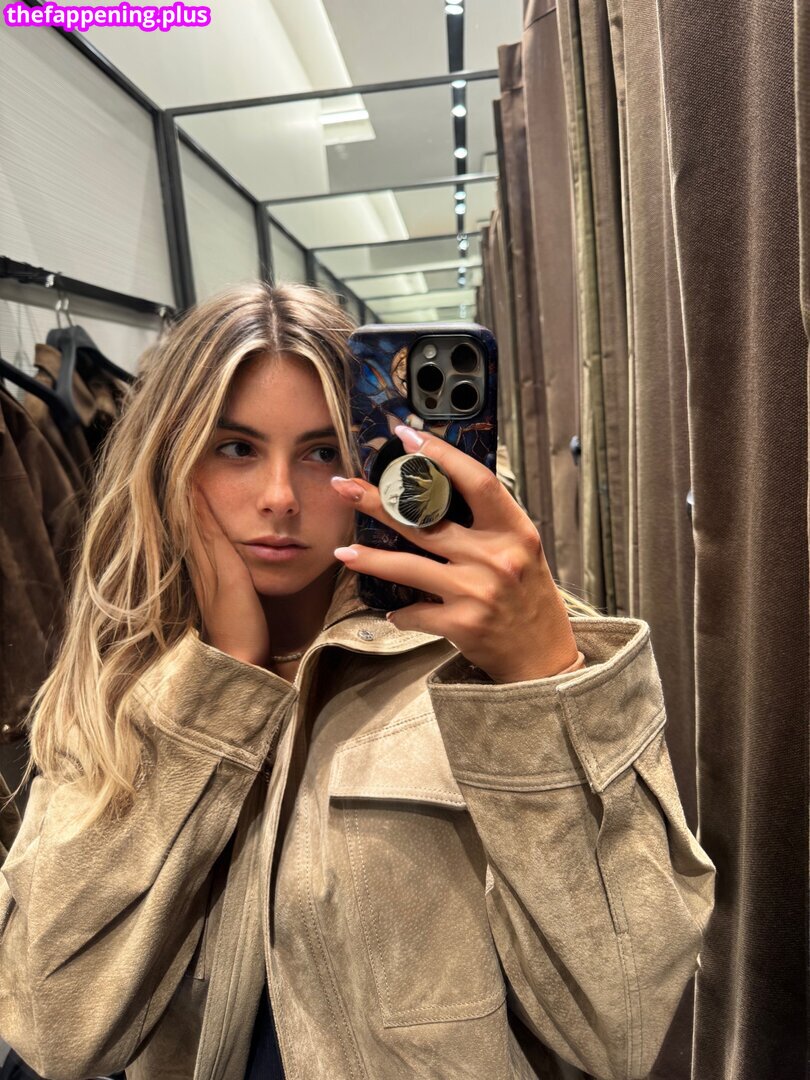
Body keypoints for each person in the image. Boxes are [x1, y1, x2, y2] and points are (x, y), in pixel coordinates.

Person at [0, 282, 715, 1080]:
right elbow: (54, 1031)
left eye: (323, 454)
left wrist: (541, 680)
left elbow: (622, 1024)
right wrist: (216, 687)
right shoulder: (120, 683)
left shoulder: (487, 665)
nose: (279, 498)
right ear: (172, 459)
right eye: (235, 449)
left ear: (375, 454)